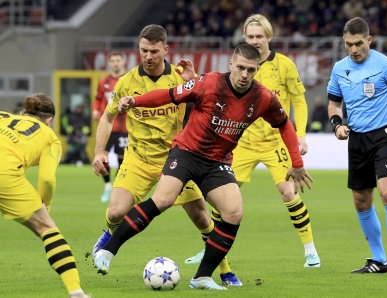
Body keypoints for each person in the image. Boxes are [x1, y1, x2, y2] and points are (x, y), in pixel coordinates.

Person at [93, 44, 314, 290]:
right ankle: (108, 251)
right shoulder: (208, 83)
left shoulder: (263, 98)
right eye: (240, 67)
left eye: (251, 70)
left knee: (233, 212)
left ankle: (202, 277)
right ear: (231, 64)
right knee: (163, 199)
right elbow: (169, 95)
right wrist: (136, 101)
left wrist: (297, 163)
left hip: (217, 162)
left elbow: (284, 123)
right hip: (186, 152)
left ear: (257, 69)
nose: (244, 74)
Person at [89, 24, 242, 285]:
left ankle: (224, 270)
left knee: (202, 217)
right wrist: (99, 151)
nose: (148, 56)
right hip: (138, 158)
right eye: (143, 51)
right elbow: (107, 116)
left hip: (177, 158)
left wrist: (192, 82)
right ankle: (107, 239)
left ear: (166, 49)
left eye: (154, 51)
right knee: (115, 212)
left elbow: (210, 104)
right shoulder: (126, 82)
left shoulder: (181, 79)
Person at [185, 13, 321, 269]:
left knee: (288, 192)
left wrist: (300, 134)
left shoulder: (284, 65)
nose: (255, 41)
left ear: (269, 37)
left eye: (259, 36)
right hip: (242, 144)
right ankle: (211, 250)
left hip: (275, 143)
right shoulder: (240, 66)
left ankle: (310, 250)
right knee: (221, 196)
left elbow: (300, 100)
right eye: (250, 37)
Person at [327, 17, 387, 276]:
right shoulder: (339, 68)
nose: (353, 50)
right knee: (361, 201)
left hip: (385, 136)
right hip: (357, 140)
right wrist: (337, 125)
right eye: (348, 45)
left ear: (369, 40)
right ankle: (379, 260)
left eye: (358, 44)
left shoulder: (385, 65)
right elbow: (334, 104)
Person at [0, 94, 90, 298]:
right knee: (47, 228)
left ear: (22, 113)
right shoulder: (50, 137)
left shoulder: (2, 116)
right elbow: (47, 179)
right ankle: (76, 292)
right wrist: (45, 207)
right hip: (4, 174)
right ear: (49, 120)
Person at [92, 51, 127, 203]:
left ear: (123, 62)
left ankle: (118, 188)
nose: (115, 63)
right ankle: (107, 186)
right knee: (102, 156)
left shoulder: (128, 80)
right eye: (113, 61)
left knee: (122, 159)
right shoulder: (103, 81)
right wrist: (95, 109)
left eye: (118, 60)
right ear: (109, 63)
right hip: (107, 127)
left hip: (124, 127)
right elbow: (99, 98)